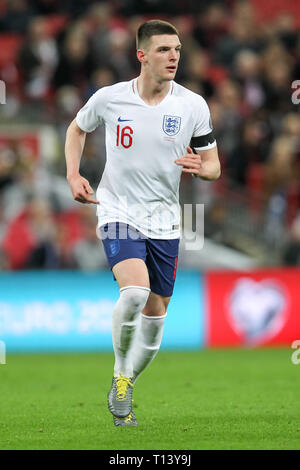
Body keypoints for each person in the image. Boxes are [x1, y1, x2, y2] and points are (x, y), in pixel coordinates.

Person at [65, 19, 221, 427]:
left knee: (155, 318)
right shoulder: (110, 99)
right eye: (164, 50)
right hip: (118, 211)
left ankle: (126, 380)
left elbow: (214, 165)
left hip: (166, 221)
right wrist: (72, 173)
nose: (173, 57)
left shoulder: (192, 105)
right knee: (134, 293)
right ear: (142, 55)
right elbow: (76, 129)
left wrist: (201, 170)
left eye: (178, 50)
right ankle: (119, 372)